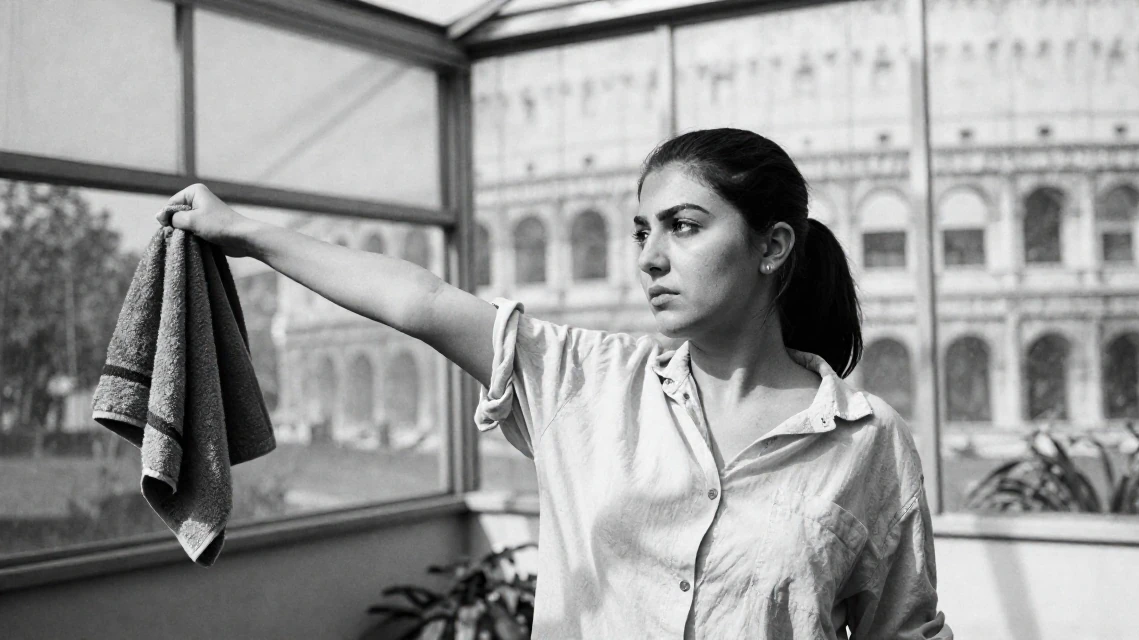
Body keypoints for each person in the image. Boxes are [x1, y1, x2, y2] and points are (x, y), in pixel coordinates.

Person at [160, 128, 951, 639]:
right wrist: (244, 232)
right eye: (641, 231)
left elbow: (905, 631)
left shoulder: (867, 441)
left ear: (772, 246)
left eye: (683, 226)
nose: (649, 258)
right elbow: (421, 300)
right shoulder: (588, 382)